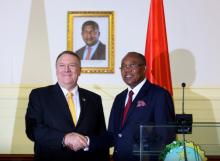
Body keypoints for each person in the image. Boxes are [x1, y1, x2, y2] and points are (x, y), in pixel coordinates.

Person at [25, 51, 109, 161]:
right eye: (62, 65)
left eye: (72, 65)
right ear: (56, 70)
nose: (66, 69)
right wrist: (64, 138)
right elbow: (33, 130)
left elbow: (101, 137)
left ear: (79, 70)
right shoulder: (39, 95)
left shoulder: (94, 99)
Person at [107, 52, 176, 161]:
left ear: (144, 68)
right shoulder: (119, 98)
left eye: (132, 65)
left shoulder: (160, 95)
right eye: (123, 66)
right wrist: (88, 141)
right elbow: (112, 133)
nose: (127, 70)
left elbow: (166, 136)